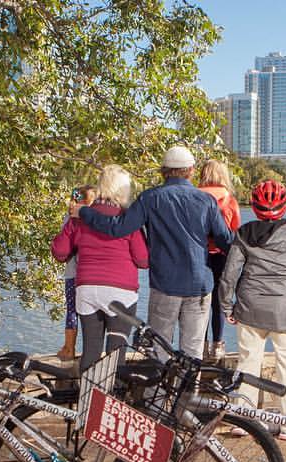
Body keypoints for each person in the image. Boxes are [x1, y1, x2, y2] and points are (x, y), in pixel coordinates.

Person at [71, 146, 234, 359]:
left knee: (160, 351)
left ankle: (160, 393)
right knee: (193, 355)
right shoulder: (206, 201)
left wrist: (85, 212)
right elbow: (226, 241)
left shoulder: (150, 199)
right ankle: (187, 393)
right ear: (191, 170)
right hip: (199, 285)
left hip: (165, 285)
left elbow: (117, 227)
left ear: (163, 170)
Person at [218, 180, 286, 441]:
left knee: (248, 362)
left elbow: (229, 275)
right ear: (284, 206)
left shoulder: (243, 233)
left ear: (254, 207)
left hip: (249, 308)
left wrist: (227, 305)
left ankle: (243, 419)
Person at [51, 166, 148, 373]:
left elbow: (60, 252)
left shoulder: (81, 216)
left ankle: (86, 400)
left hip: (87, 290)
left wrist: (72, 224)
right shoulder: (126, 219)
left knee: (91, 350)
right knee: (116, 354)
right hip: (121, 293)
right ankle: (110, 400)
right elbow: (143, 260)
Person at [198, 159, 241, 361]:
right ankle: (217, 345)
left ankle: (201, 344)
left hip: (200, 255)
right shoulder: (229, 200)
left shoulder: (195, 198)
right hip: (222, 256)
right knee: (218, 301)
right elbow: (235, 232)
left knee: (201, 302)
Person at [56, 185, 96, 360]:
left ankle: (69, 348)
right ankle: (89, 350)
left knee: (72, 311)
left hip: (73, 273)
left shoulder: (70, 217)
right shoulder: (96, 218)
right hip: (90, 274)